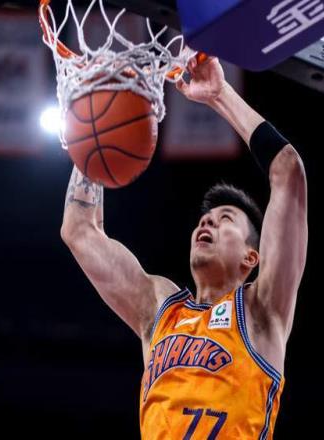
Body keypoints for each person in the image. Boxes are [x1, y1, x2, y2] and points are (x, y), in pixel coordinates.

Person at [60, 56, 308, 439]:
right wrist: (95, 138)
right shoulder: (160, 308)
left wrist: (219, 94)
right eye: (205, 219)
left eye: (226, 219)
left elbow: (287, 170)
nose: (207, 222)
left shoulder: (261, 311)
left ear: (251, 257)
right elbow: (79, 230)